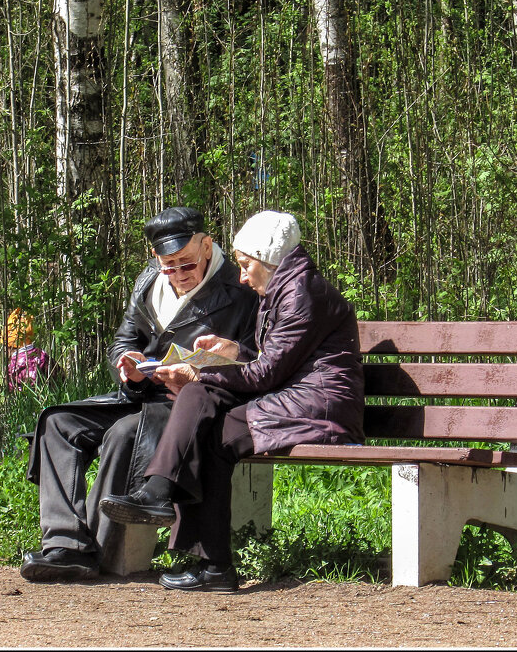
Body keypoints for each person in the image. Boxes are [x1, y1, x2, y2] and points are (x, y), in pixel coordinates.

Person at [100, 210, 365, 592]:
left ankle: (167, 502)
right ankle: (210, 562)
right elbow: (265, 357)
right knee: (206, 428)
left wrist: (200, 372)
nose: (241, 276)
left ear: (268, 259)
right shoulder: (284, 288)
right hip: (293, 398)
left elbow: (266, 374)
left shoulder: (301, 293)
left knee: (201, 398)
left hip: (319, 406)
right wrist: (231, 350)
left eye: (245, 265)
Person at [21, 207, 259, 582]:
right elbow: (125, 339)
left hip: (189, 405)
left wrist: (198, 371)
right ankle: (66, 545)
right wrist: (127, 362)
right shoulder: (149, 281)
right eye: (169, 265)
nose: (178, 274)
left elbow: (253, 362)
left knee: (123, 433)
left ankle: (100, 548)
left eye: (187, 264)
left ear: (208, 247)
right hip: (139, 395)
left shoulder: (241, 290)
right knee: (57, 422)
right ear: (155, 259)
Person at [3, 309, 56, 392]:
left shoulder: (14, 365)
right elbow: (60, 376)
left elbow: (10, 389)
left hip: (25, 401)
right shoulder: (42, 355)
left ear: (10, 346)